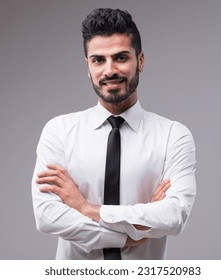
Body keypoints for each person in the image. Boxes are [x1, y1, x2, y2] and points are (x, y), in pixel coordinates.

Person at [31, 8, 196, 260]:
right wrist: (131, 233)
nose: (110, 70)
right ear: (87, 66)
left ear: (140, 61)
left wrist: (87, 208)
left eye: (120, 57)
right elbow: (47, 216)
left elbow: (174, 216)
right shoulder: (59, 132)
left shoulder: (173, 136)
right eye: (98, 60)